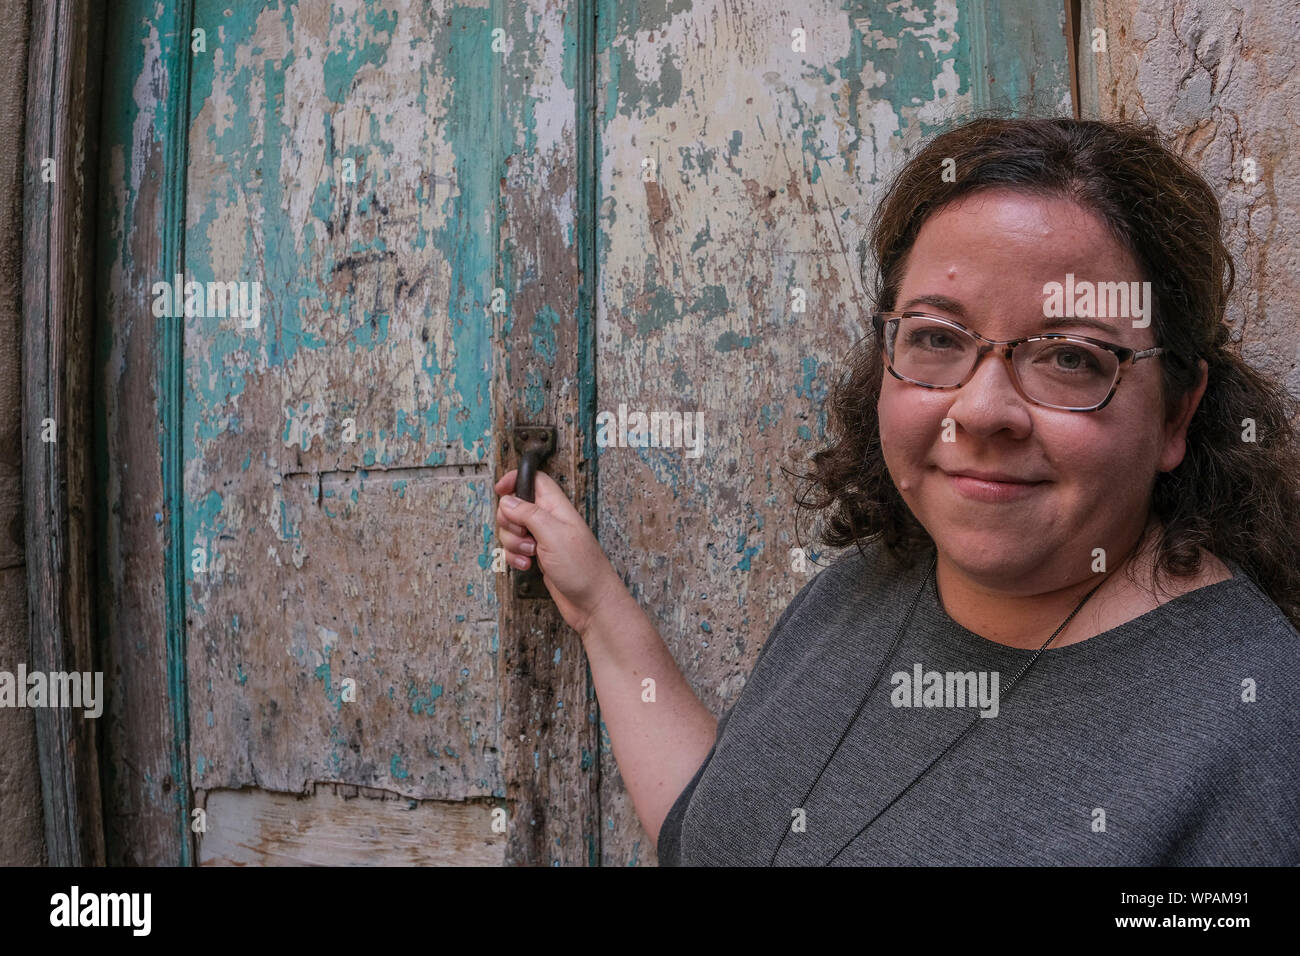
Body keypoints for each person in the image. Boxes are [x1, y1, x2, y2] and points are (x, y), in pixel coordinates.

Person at [494, 117, 1300, 865]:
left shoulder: (1254, 723)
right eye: (938, 339)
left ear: (1176, 414)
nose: (982, 410)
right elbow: (717, 833)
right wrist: (598, 605)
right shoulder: (861, 588)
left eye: (1069, 357)